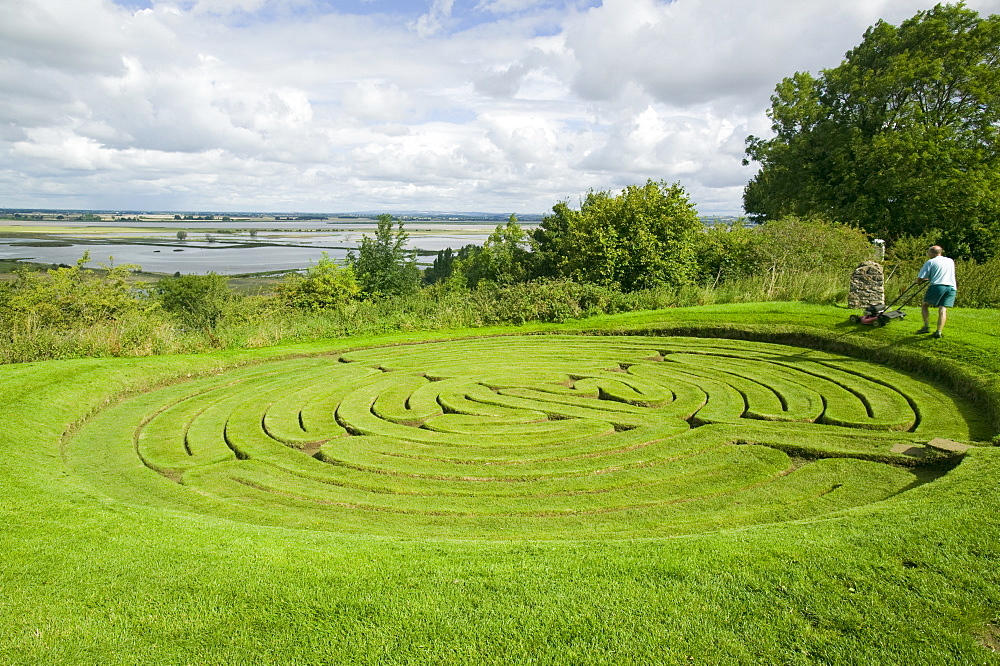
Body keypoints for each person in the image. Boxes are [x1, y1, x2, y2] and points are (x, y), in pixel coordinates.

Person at [915, 245, 956, 338]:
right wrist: (929, 278)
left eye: (929, 252)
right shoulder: (950, 261)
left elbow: (920, 277)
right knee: (943, 309)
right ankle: (939, 331)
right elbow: (941, 273)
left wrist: (917, 281)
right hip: (951, 287)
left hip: (937, 286)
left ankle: (926, 326)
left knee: (925, 305)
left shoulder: (930, 262)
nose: (928, 254)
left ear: (932, 253)